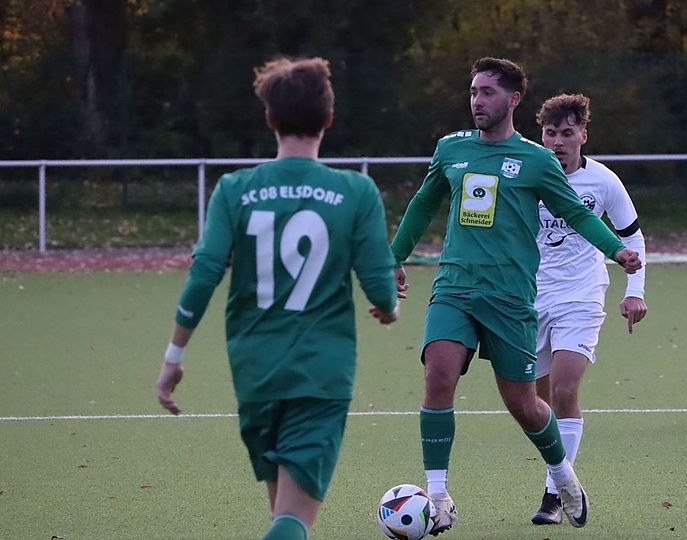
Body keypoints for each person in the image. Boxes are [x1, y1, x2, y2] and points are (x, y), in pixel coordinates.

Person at [389, 57, 642, 533]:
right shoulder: (451, 150)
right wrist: (393, 256)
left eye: (487, 92)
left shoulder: (537, 159)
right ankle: (438, 496)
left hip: (510, 299)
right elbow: (423, 205)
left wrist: (617, 249)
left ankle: (563, 476)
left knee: (524, 404)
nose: (477, 101)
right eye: (472, 91)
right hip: (455, 288)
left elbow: (577, 214)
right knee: (438, 376)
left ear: (513, 99)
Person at [154, 57, 398, 540]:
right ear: (329, 119)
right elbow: (380, 286)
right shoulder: (356, 191)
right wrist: (389, 308)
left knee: (282, 515)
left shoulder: (235, 189)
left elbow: (204, 274)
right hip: (319, 373)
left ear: (269, 118)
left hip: (254, 370)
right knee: (293, 521)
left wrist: (174, 356)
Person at [529, 93, 648, 525]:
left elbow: (632, 237)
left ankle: (554, 495)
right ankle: (563, 476)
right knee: (538, 405)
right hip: (528, 300)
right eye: (549, 133)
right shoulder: (527, 175)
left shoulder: (603, 182)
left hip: (580, 297)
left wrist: (635, 290)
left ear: (583, 134)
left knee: (564, 390)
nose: (557, 142)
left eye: (566, 133)